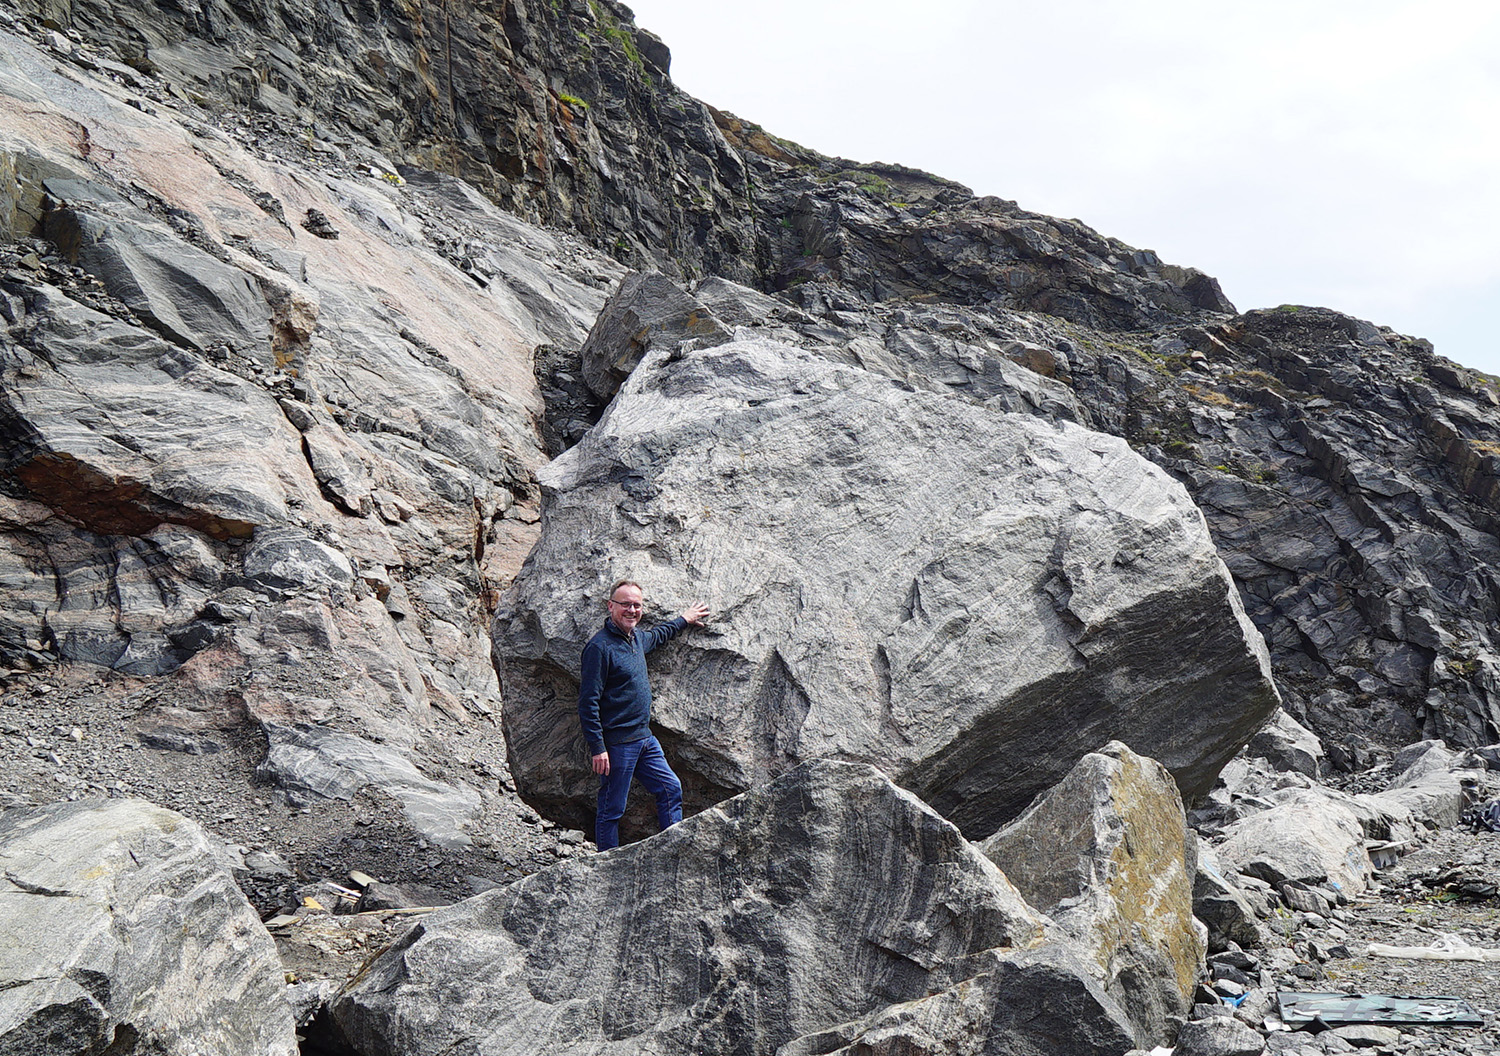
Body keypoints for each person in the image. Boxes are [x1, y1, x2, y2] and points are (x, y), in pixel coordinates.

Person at [578, 579, 709, 851]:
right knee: (612, 808)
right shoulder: (599, 648)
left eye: (637, 605)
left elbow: (660, 634)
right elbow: (588, 702)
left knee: (670, 788)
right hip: (617, 745)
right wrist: (598, 747)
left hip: (645, 739)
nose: (632, 610)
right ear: (610, 606)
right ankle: (606, 867)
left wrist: (685, 619)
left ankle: (672, 852)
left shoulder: (637, 638)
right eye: (625, 604)